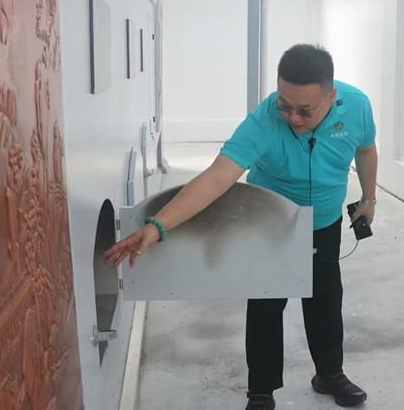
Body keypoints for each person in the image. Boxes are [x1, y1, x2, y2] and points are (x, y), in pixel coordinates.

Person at [106, 44, 378, 410]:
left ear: (331, 97)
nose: (292, 118)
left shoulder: (357, 107)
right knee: (266, 303)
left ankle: (329, 374)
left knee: (326, 300)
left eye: (304, 110)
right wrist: (157, 225)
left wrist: (369, 199)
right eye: (284, 104)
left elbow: (366, 150)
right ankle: (261, 392)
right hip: (268, 221)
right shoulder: (263, 122)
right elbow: (217, 178)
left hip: (325, 221)